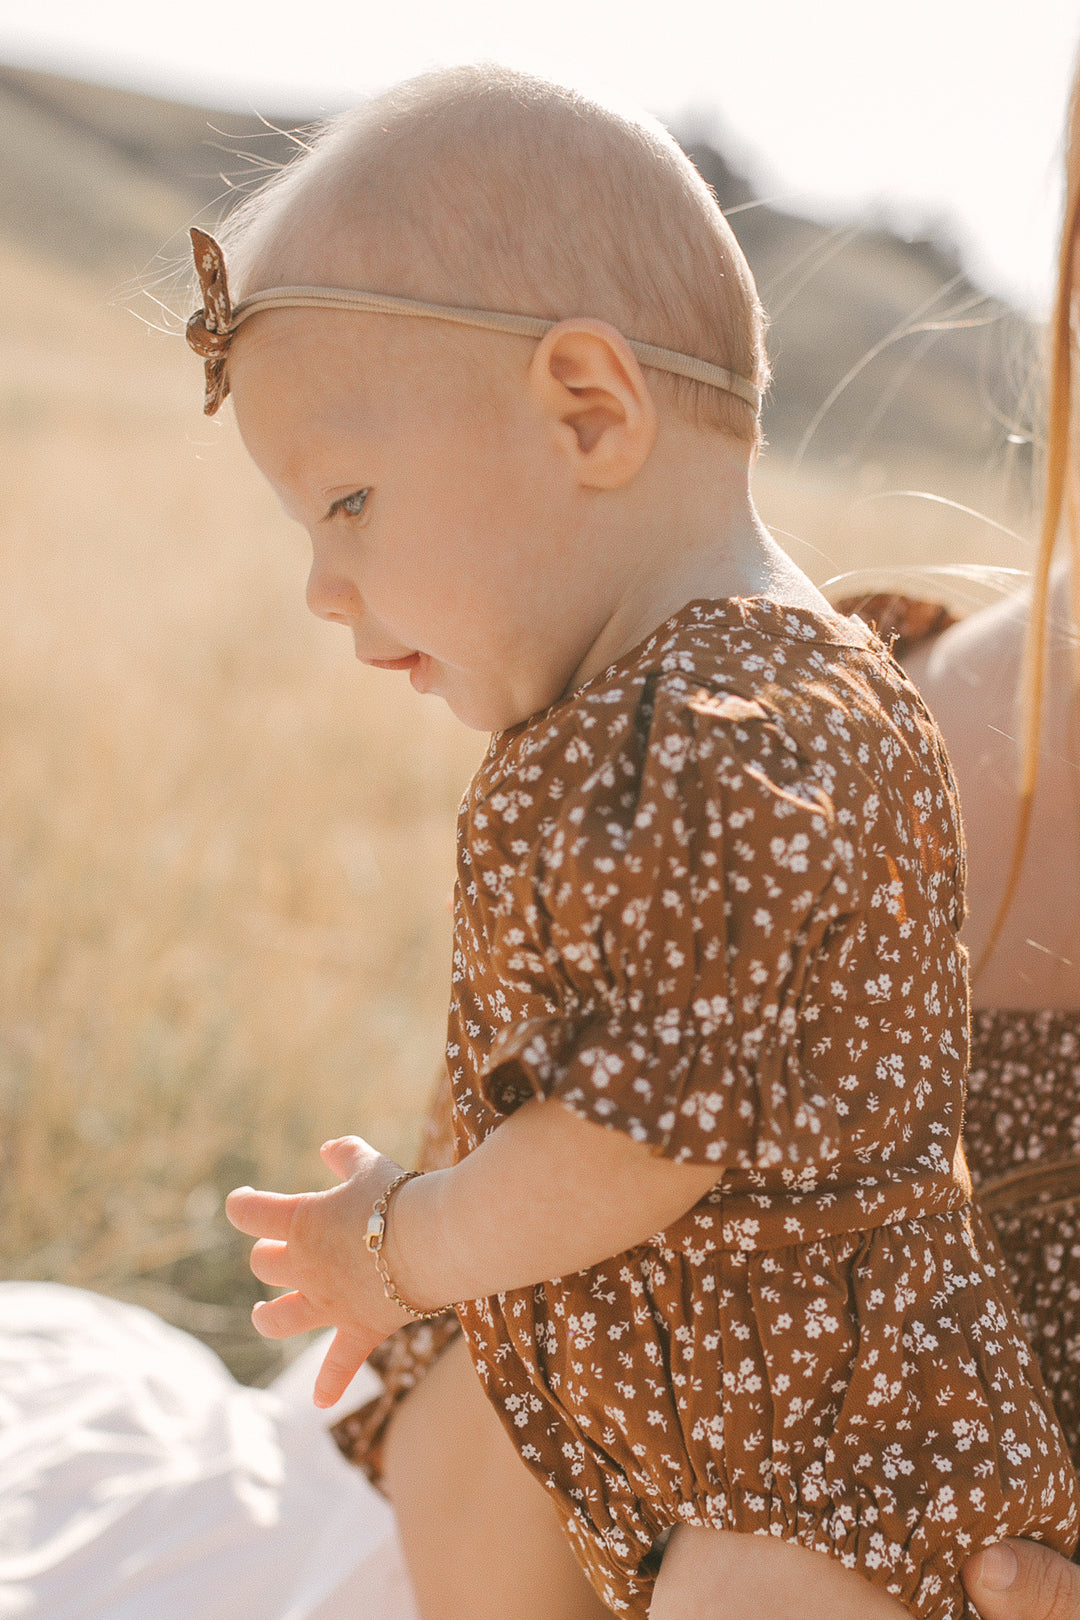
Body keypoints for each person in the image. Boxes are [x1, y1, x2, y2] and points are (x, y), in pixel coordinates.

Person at [198, 65, 1077, 1619]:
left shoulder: (708, 737)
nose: (323, 589)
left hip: (819, 1469)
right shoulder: (803, 686)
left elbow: (634, 1138)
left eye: (348, 503)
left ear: (589, 411)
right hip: (730, 1436)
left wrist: (398, 1246)